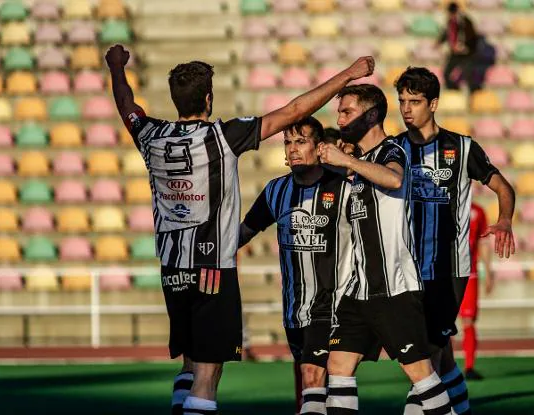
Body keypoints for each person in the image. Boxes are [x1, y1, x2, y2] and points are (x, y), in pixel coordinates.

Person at [105, 44, 375, 415]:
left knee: (189, 362)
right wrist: (347, 74)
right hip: (213, 270)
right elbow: (295, 111)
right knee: (207, 372)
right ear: (209, 98)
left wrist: (116, 68)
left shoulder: (151, 135)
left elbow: (126, 106)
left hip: (171, 270)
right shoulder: (222, 136)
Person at [318, 84, 452, 415]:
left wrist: (345, 159)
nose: (341, 118)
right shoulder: (358, 162)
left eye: (347, 111)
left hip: (394, 288)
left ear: (373, 114)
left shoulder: (392, 150)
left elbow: (393, 180)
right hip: (359, 289)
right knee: (337, 366)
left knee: (420, 374)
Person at [394, 67, 515, 415]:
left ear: (433, 104)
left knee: (423, 360)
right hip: (405, 270)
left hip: (448, 269)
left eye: (414, 102)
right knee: (440, 357)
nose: (406, 109)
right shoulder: (393, 149)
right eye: (402, 101)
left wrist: (504, 219)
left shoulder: (461, 148)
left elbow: (503, 187)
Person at [240, 116, 353, 415]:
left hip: (331, 306)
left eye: (300, 142)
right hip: (293, 310)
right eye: (288, 142)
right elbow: (244, 232)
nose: (292, 149)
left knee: (312, 379)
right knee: (322, 386)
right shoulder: (276, 191)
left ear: (319, 148)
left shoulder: (343, 190)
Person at [460, 202, 493, 380]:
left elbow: (483, 242)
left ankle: (469, 367)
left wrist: (488, 272)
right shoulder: (441, 203)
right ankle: (437, 368)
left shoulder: (477, 211)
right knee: (441, 323)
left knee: (468, 320)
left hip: (469, 274)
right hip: (443, 275)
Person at [437, 2, 478, 91]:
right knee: (446, 73)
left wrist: (464, 47)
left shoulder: (466, 22)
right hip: (455, 53)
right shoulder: (450, 22)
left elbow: (472, 37)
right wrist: (439, 42)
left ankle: (473, 93)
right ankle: (454, 91)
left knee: (468, 74)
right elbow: (447, 33)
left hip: (467, 53)